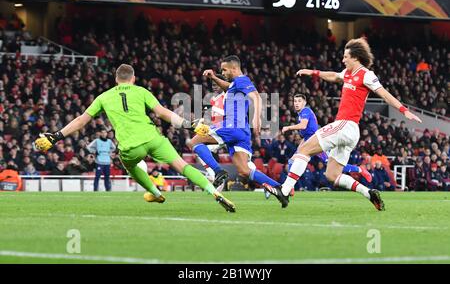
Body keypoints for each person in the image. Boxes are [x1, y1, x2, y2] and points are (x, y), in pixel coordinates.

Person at [34, 63, 235, 212]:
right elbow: (164, 113)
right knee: (182, 166)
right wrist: (189, 125)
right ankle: (214, 192)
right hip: (153, 138)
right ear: (133, 78)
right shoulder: (141, 91)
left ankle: (156, 194)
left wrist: (56, 136)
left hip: (130, 146)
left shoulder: (103, 97)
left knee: (130, 165)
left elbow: (81, 121)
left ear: (116, 79)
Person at [264, 38, 421, 210]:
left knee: (304, 149)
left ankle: (284, 191)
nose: (343, 60)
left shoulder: (366, 74)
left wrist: (404, 110)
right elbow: (333, 75)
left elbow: (384, 94)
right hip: (348, 132)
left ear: (355, 58)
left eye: (346, 57)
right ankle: (369, 193)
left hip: (346, 125)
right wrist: (313, 72)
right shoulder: (347, 73)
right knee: (332, 175)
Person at [189, 55, 281, 190]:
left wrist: (257, 117)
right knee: (244, 170)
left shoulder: (242, 80)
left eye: (224, 70)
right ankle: (280, 188)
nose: (223, 73)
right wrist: (214, 77)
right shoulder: (236, 84)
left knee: (194, 142)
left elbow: (256, 96)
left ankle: (218, 171)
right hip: (242, 131)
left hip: (232, 125)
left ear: (234, 68)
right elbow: (228, 87)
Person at [282, 93, 373, 184]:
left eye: (299, 101)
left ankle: (360, 169)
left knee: (331, 163)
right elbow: (307, 129)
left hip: (317, 141)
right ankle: (290, 186)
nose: (296, 103)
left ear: (304, 103)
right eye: (295, 101)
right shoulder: (301, 114)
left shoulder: (306, 111)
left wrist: (288, 127)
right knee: (292, 160)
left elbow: (303, 125)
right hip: (307, 139)